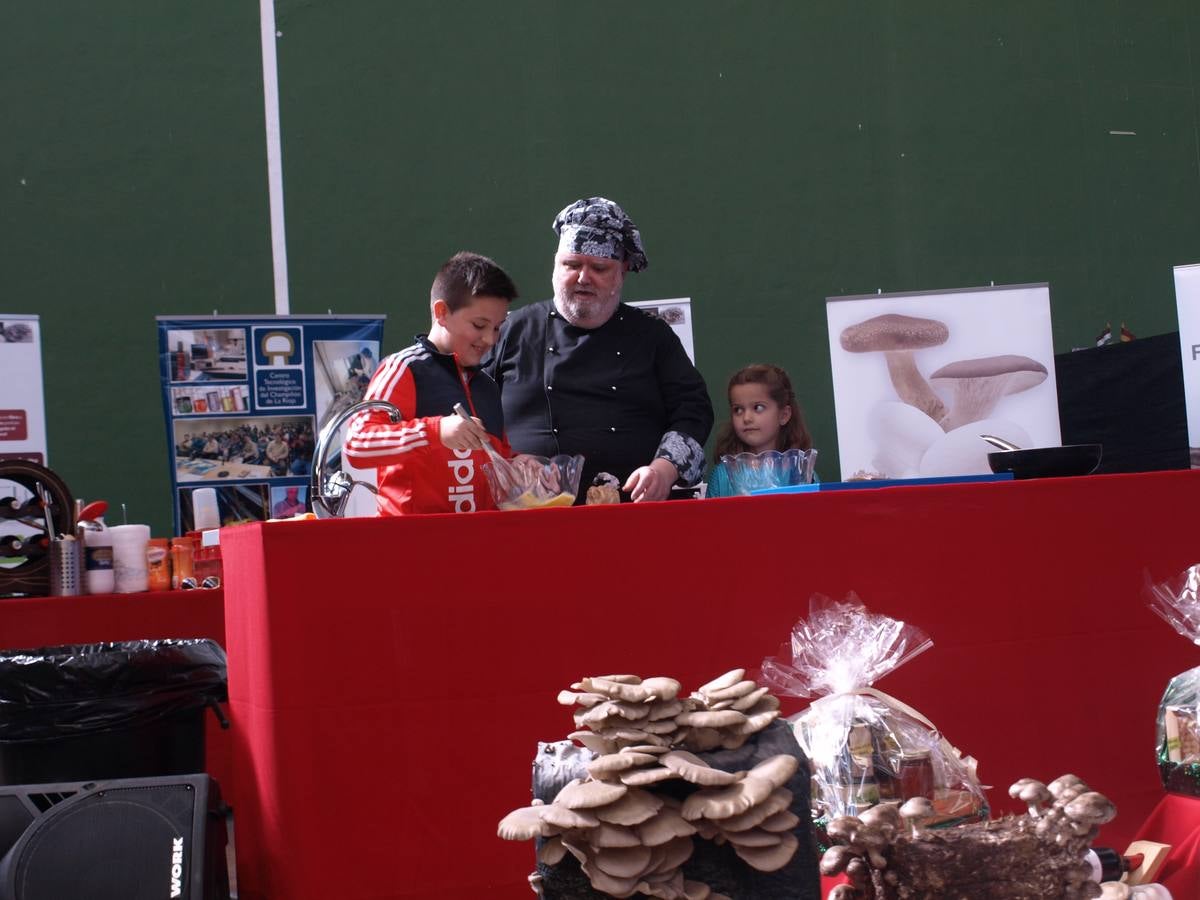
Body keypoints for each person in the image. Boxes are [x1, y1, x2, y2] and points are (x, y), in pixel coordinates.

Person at [485, 197, 713, 502]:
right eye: (572, 264)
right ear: (555, 265)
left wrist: (664, 469)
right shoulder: (512, 330)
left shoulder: (652, 335)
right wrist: (506, 460)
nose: (583, 277)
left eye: (599, 268)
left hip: (631, 512)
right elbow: (469, 409)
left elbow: (694, 410)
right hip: (527, 512)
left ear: (622, 272)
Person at [343, 251, 518, 515]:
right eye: (479, 325)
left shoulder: (486, 385)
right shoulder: (404, 368)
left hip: (479, 545)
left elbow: (498, 462)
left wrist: (521, 467)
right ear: (441, 312)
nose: (490, 340)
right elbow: (357, 444)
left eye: (497, 327)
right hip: (413, 546)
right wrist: (435, 433)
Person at [706, 364, 813, 499]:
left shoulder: (801, 472)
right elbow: (710, 519)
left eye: (758, 407)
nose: (746, 418)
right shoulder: (722, 475)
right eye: (738, 410)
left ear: (784, 415)